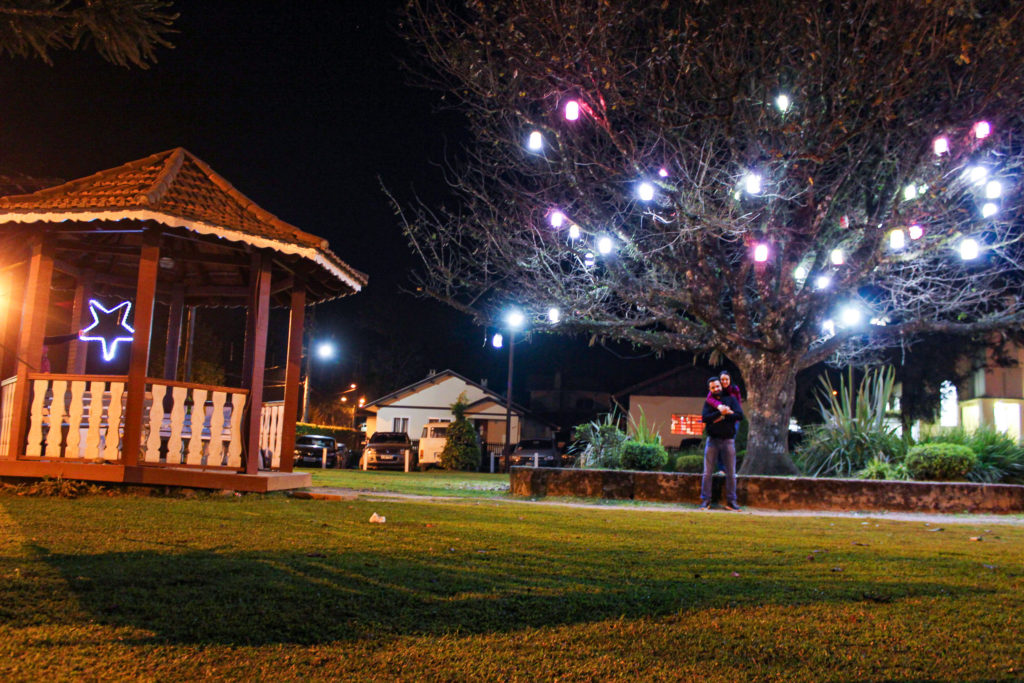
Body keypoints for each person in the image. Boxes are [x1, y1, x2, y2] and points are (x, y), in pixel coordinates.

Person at [700, 376, 743, 511]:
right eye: (713, 387)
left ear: (721, 386)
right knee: (707, 472)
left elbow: (739, 415)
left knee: (731, 473)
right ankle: (705, 501)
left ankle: (732, 502)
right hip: (712, 441)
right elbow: (705, 418)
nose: (716, 389)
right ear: (710, 389)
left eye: (717, 386)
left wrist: (725, 415)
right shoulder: (709, 403)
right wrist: (720, 412)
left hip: (728, 441)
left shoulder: (731, 399)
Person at [705, 371, 742, 471]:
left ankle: (729, 469)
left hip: (732, 420)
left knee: (729, 443)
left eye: (726, 379)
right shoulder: (716, 389)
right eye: (722, 379)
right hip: (719, 421)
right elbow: (709, 399)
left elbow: (738, 403)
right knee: (718, 445)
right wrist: (719, 406)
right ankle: (722, 469)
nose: (724, 381)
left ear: (730, 380)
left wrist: (731, 412)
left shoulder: (734, 389)